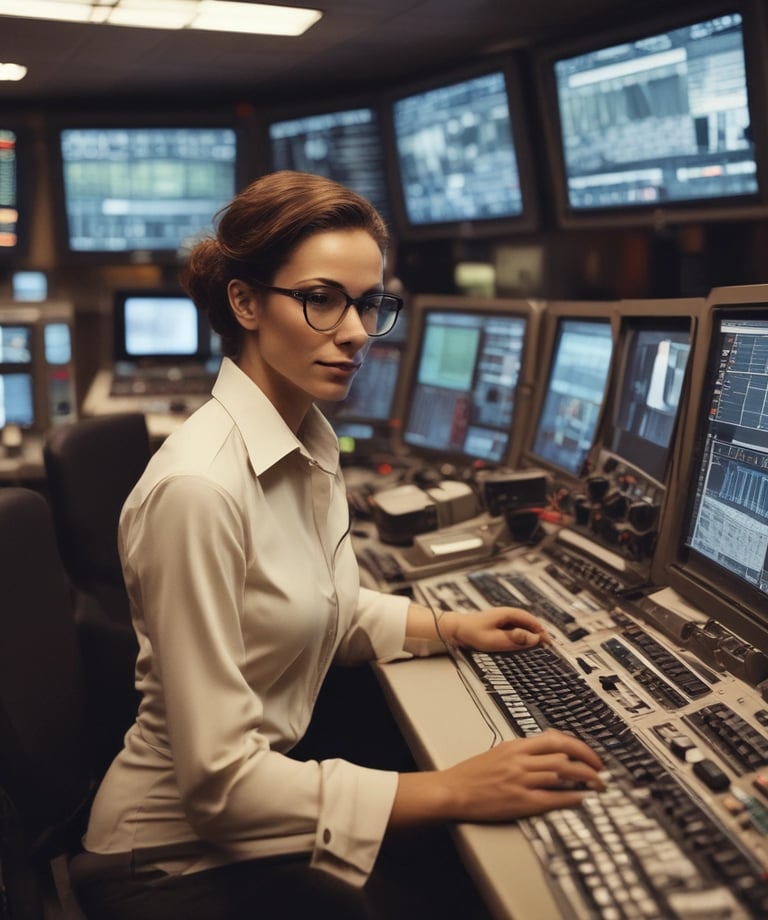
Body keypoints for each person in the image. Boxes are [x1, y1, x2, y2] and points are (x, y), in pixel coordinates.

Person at [70, 170, 605, 919]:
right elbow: (220, 787)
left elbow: (315, 606)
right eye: (322, 299)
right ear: (246, 302)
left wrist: (446, 626)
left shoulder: (305, 438)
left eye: (369, 303)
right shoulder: (198, 489)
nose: (355, 331)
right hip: (166, 861)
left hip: (246, 824)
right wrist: (452, 787)